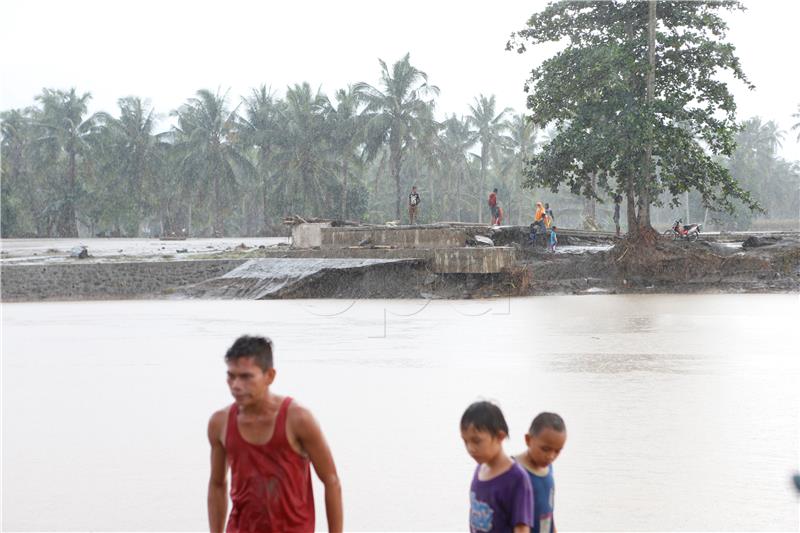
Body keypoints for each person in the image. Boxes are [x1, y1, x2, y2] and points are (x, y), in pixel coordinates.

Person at [207, 335, 343, 533]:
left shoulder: (298, 419)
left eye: (246, 377)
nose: (236, 385)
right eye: (231, 376)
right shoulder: (220, 423)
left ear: (269, 376)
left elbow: (331, 481)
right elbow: (217, 484)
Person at [461, 401, 533, 533]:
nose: (470, 448)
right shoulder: (479, 471)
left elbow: (522, 527)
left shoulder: (516, 478)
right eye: (466, 441)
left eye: (477, 441)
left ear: (500, 436)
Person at [515, 413, 567, 533]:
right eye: (545, 449)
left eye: (557, 451)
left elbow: (548, 511)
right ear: (528, 440)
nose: (551, 456)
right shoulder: (513, 472)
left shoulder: (548, 468)